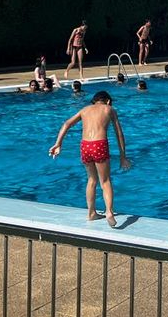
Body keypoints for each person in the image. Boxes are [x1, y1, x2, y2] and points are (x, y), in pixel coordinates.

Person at [49, 90, 132, 226]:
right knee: (105, 181)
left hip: (85, 146)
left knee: (92, 180)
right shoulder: (109, 109)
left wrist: (58, 143)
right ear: (108, 101)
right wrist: (123, 157)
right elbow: (119, 134)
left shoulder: (84, 109)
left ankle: (91, 213)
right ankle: (109, 212)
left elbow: (67, 124)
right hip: (99, 144)